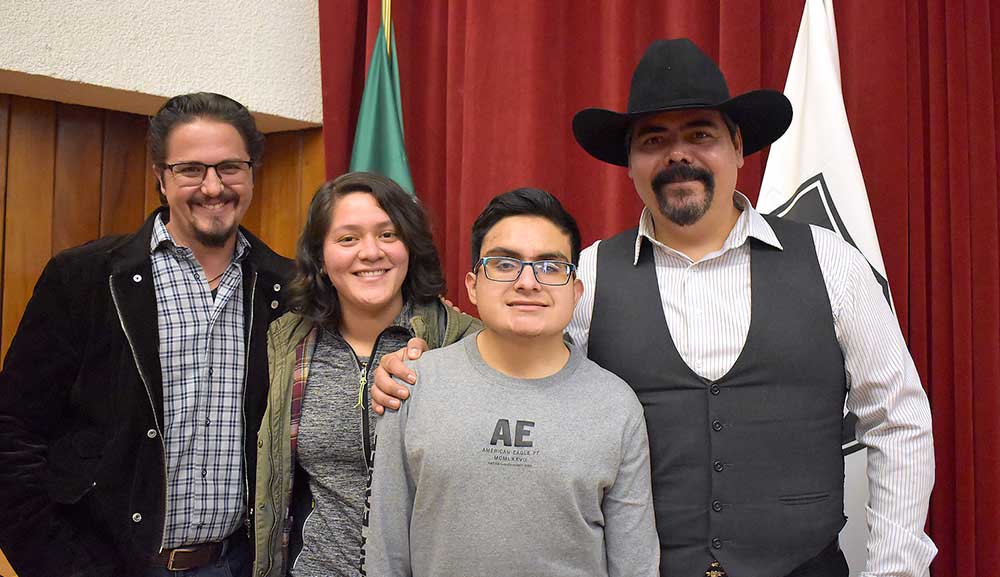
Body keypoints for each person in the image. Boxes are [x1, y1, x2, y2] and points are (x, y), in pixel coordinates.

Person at [374, 39, 936, 577]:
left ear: (739, 146)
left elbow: (898, 418)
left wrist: (895, 568)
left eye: (700, 134)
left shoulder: (829, 261)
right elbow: (512, 359)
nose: (678, 156)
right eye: (652, 141)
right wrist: (415, 364)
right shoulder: (584, 274)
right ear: (630, 164)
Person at [0, 93, 293, 577]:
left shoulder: (290, 288)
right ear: (160, 176)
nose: (213, 186)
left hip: (240, 564)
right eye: (191, 170)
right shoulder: (86, 278)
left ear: (252, 172)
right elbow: (13, 435)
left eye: (230, 168)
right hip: (107, 563)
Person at [364, 188, 659, 577]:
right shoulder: (412, 384)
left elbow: (635, 563)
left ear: (575, 291)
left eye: (550, 267)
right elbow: (385, 551)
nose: (527, 282)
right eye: (504, 264)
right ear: (472, 285)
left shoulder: (616, 405)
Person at [251, 172, 480, 577]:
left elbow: (551, 360)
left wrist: (447, 375)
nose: (371, 252)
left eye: (388, 235)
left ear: (410, 247)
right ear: (320, 257)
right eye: (348, 238)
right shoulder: (286, 342)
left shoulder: (461, 341)